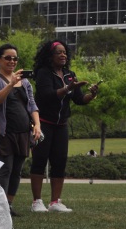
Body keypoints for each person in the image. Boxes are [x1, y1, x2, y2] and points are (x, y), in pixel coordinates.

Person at [29, 40, 98, 213]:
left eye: (65, 52)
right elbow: (46, 96)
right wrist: (68, 88)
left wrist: (92, 94)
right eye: (59, 52)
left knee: (59, 163)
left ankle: (55, 202)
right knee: (39, 161)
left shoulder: (69, 74)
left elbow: (79, 100)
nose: (63, 55)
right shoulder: (43, 73)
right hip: (43, 123)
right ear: (50, 56)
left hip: (61, 125)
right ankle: (37, 201)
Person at [0, 44, 40, 217]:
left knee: (17, 170)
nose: (12, 61)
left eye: (15, 58)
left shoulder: (24, 82)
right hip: (4, 132)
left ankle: (8, 204)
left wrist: (37, 125)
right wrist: (10, 84)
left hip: (23, 132)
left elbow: (32, 105)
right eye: (8, 58)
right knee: (5, 169)